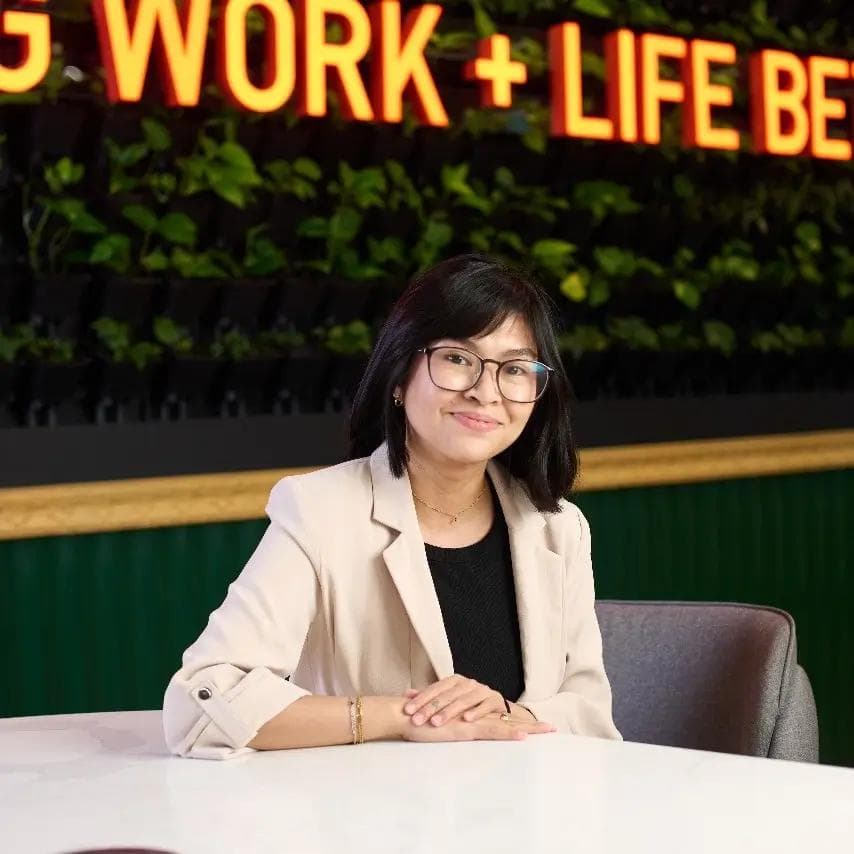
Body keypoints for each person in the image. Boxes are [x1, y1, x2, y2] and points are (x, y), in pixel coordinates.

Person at [163, 253, 621, 759]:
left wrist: (510, 716)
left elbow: (591, 715)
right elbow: (202, 701)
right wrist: (406, 715)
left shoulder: (558, 528)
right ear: (400, 376)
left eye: (514, 369)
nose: (486, 391)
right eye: (457, 359)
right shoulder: (320, 511)